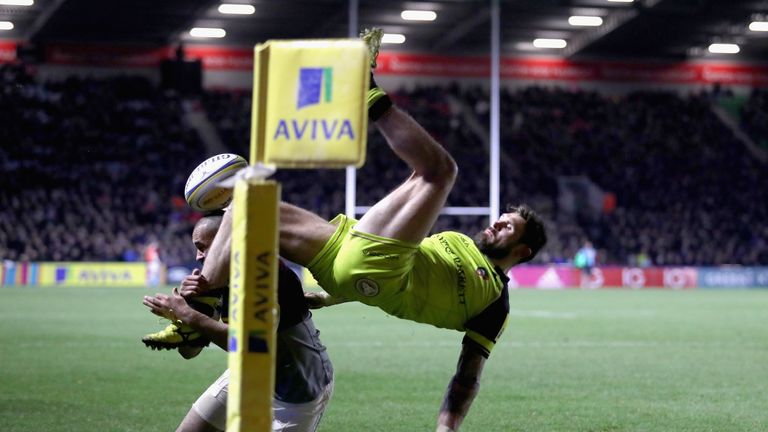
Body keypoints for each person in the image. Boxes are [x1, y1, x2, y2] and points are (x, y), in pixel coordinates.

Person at [183, 31, 548, 432]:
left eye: (508, 225)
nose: (496, 222)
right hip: (342, 254)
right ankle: (198, 308)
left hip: (374, 271)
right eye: (500, 217)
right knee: (248, 203)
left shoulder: (495, 303)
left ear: (524, 250)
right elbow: (403, 255)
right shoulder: (460, 242)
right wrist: (326, 297)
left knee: (441, 172)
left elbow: (468, 373)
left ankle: (366, 89)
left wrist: (447, 427)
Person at [143, 213, 334, 432]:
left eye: (202, 246)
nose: (198, 256)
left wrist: (189, 315)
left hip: (298, 389)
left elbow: (253, 346)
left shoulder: (268, 277)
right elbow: (189, 352)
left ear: (227, 242)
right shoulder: (211, 282)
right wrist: (189, 309)